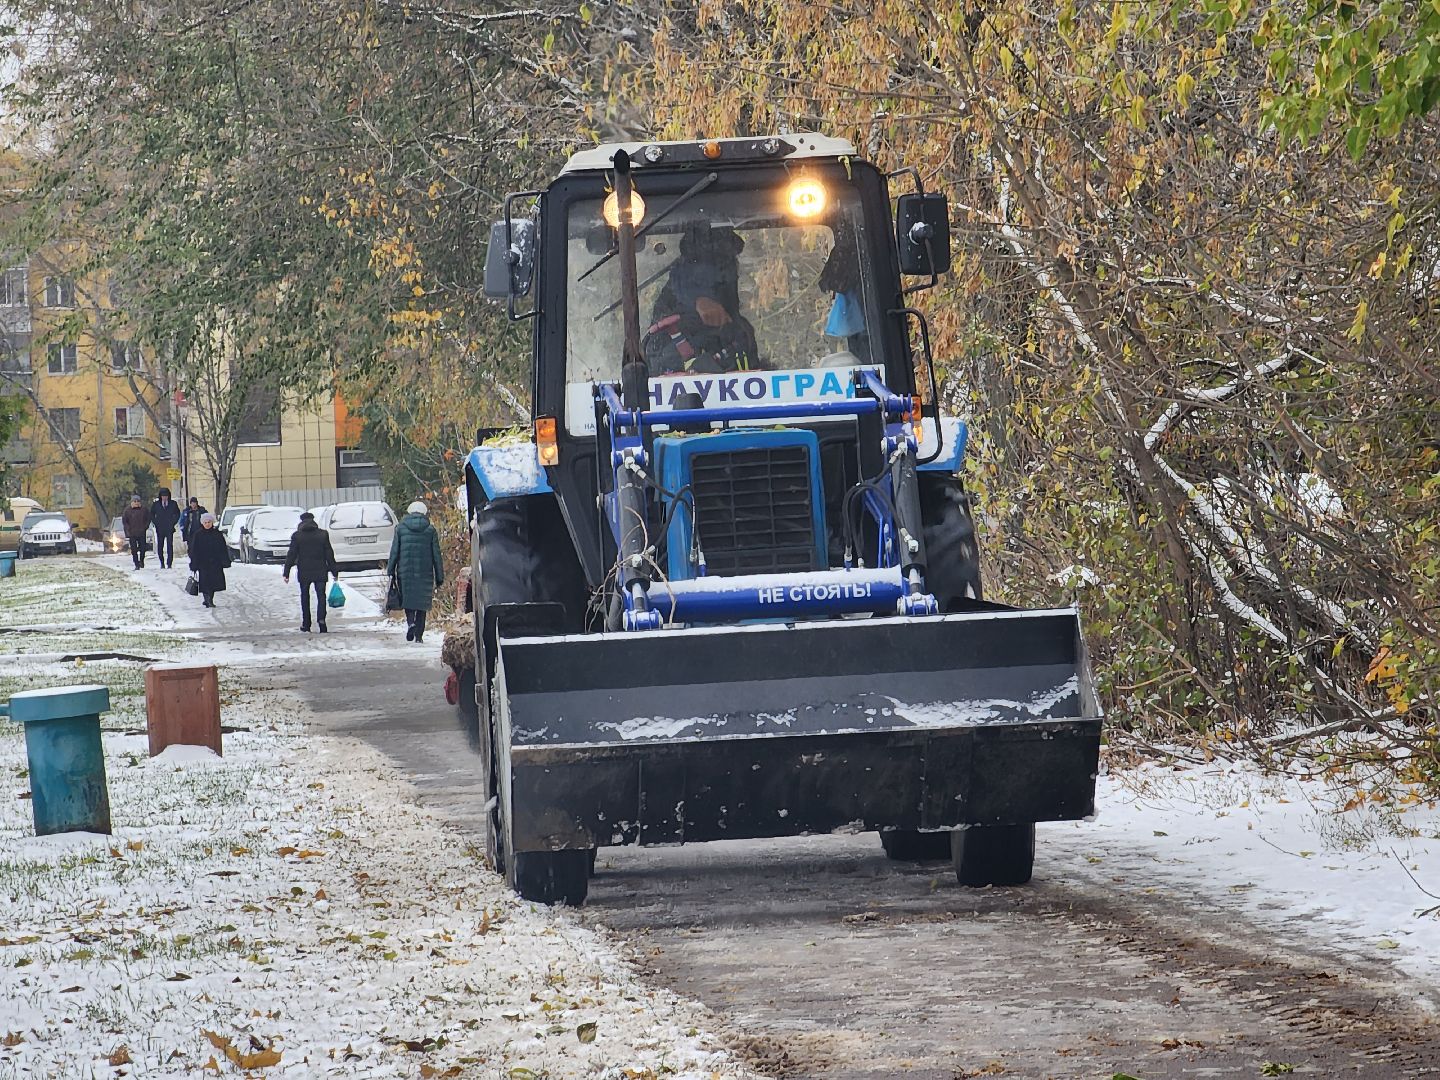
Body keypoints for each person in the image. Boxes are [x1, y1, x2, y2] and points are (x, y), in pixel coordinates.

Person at [643, 224, 760, 376]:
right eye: (723, 265)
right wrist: (699, 299)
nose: (731, 273)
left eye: (729, 264)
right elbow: (648, 385)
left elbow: (762, 380)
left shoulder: (741, 333)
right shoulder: (665, 331)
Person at [386, 500, 444, 643]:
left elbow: (395, 551)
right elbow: (436, 554)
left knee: (408, 600)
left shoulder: (400, 529)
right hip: (425, 572)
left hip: (405, 572)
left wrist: (391, 570)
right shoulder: (430, 530)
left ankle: (411, 623)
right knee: (422, 603)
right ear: (424, 513)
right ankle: (419, 636)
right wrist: (439, 576)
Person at [282, 511, 339, 633]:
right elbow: (329, 553)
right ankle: (321, 620)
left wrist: (286, 572)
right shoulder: (323, 534)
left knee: (305, 596)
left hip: (304, 571)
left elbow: (291, 554)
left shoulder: (297, 536)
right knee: (321, 596)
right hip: (320, 570)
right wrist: (334, 571)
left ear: (301, 522)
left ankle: (306, 623)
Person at [187, 511, 231, 608]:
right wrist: (194, 562)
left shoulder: (217, 534)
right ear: (202, 523)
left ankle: (209, 598)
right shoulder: (198, 535)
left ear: (212, 523)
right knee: (205, 582)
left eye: (209, 522)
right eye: (205, 522)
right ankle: (207, 599)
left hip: (215, 562)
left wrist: (225, 560)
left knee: (214, 582)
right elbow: (193, 549)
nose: (207, 524)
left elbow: (223, 548)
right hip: (203, 563)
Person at [150, 487, 181, 569]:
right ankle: (162, 562)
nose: (164, 497)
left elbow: (177, 514)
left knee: (169, 545)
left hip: (169, 527)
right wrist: (156, 522)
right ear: (160, 496)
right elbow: (151, 514)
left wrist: (173, 522)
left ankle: (169, 563)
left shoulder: (173, 504)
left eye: (166, 496)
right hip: (160, 528)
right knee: (160, 545)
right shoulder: (156, 504)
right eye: (163, 496)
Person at [121, 495, 150, 569]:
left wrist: (145, 527)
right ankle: (136, 564)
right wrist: (128, 529)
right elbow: (125, 521)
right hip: (132, 533)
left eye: (138, 501)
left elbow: (148, 519)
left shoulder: (144, 509)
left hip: (141, 532)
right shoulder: (127, 510)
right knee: (134, 550)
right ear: (132, 502)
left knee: (143, 548)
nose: (136, 503)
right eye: (135, 501)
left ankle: (141, 561)